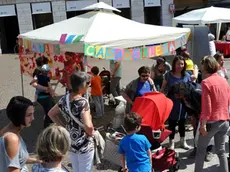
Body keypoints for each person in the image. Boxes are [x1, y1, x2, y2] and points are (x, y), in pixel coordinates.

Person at [48, 71, 94, 172]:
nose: (89, 85)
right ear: (81, 85)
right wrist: (91, 133)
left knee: (76, 169)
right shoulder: (83, 102)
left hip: (71, 142)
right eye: (88, 83)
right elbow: (88, 126)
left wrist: (63, 127)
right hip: (84, 143)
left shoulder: (64, 99)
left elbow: (51, 113)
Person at [195, 56, 230, 172]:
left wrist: (203, 125)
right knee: (221, 151)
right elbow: (228, 101)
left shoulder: (206, 82)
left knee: (201, 150)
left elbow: (206, 107)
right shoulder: (224, 80)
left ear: (205, 68)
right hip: (224, 120)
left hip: (211, 122)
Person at [171, 82, 214, 162]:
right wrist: (192, 116)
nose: (177, 97)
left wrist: (203, 120)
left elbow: (207, 106)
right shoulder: (181, 95)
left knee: (206, 132)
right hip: (197, 113)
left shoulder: (197, 92)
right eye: (176, 95)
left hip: (206, 114)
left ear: (183, 92)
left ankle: (209, 151)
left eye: (178, 95)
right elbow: (186, 106)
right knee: (196, 131)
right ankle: (197, 149)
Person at [0, 96, 40, 171]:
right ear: (18, 116)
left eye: (32, 114)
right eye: (29, 115)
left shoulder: (10, 131)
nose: (33, 118)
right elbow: (13, 169)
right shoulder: (12, 139)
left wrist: (37, 160)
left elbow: (19, 158)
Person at [161, 55, 191, 150]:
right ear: (174, 64)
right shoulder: (168, 75)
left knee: (182, 122)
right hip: (172, 103)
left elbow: (190, 88)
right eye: (178, 64)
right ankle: (172, 142)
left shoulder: (187, 75)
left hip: (183, 103)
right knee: (172, 123)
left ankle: (183, 141)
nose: (180, 66)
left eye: (182, 64)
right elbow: (162, 88)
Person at [32, 64, 55, 128]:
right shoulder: (46, 77)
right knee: (49, 112)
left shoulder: (37, 76)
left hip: (40, 97)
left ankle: (49, 123)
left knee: (48, 110)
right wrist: (51, 91)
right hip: (46, 97)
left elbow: (34, 82)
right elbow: (49, 85)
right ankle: (47, 126)